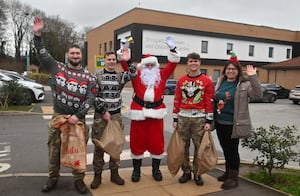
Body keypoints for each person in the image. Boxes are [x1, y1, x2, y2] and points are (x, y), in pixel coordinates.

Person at [33, 16, 97, 194]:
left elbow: (90, 98)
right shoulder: (57, 67)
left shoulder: (90, 77)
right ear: (67, 55)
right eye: (72, 53)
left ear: (81, 56)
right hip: (58, 118)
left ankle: (79, 180)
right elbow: (42, 53)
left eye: (78, 53)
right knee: (54, 150)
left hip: (78, 121)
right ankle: (53, 178)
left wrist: (79, 114)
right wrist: (38, 35)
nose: (75, 55)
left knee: (79, 151)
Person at [120, 36, 180, 182]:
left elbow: (172, 64)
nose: (150, 68)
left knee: (156, 142)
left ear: (156, 66)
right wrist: (124, 54)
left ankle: (156, 169)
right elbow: (127, 67)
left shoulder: (162, 75)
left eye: (153, 65)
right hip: (139, 112)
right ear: (143, 66)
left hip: (156, 113)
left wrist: (172, 50)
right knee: (137, 142)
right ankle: (136, 171)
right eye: (148, 65)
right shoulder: (136, 75)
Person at [214, 52, 262, 190]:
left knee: (232, 151)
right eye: (228, 69)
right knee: (225, 149)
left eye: (233, 69)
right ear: (225, 71)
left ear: (238, 71)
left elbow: (258, 94)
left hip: (233, 123)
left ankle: (233, 178)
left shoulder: (244, 84)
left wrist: (253, 77)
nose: (230, 71)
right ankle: (228, 172)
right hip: (219, 122)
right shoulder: (221, 82)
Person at [90, 50, 137, 189]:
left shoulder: (119, 76)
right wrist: (103, 111)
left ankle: (114, 173)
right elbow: (93, 96)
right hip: (101, 116)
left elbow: (133, 74)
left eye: (113, 59)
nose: (111, 62)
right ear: (104, 60)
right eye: (108, 59)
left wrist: (128, 60)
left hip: (116, 116)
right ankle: (97, 175)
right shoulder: (96, 76)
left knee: (116, 145)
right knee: (99, 145)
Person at [172, 52, 215, 186]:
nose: (193, 64)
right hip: (183, 117)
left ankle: (197, 172)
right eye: (191, 61)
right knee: (183, 146)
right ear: (187, 63)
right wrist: (175, 118)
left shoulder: (206, 81)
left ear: (199, 63)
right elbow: (177, 99)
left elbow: (209, 101)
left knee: (199, 147)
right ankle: (186, 171)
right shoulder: (181, 81)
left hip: (200, 118)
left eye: (196, 61)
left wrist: (209, 120)